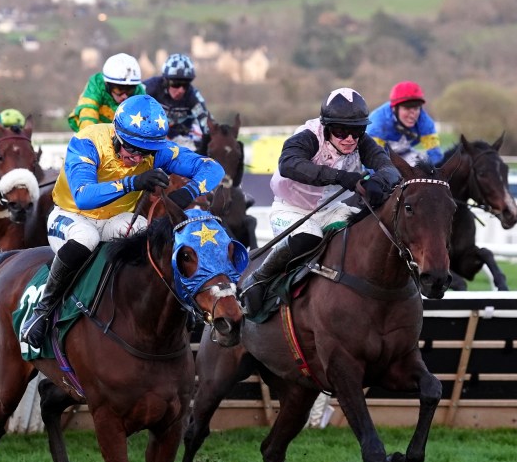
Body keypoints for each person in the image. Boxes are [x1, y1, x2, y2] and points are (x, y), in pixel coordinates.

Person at [20, 94, 225, 348]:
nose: (138, 158)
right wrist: (133, 182)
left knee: (147, 235)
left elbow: (213, 168)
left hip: (116, 219)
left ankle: (174, 305)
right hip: (71, 216)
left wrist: (187, 193)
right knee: (87, 237)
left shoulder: (157, 151)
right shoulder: (87, 142)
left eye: (146, 152)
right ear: (117, 134)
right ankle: (42, 310)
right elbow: (84, 197)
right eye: (132, 149)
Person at [240, 87, 400, 317]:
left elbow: (390, 168)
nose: (349, 139)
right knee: (309, 237)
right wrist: (340, 177)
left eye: (356, 131)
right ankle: (258, 278)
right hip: (291, 209)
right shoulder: (307, 137)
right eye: (340, 131)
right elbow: (289, 164)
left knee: (364, 233)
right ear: (326, 127)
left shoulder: (361, 142)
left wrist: (379, 181)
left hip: (331, 209)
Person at [142, 53, 211, 150]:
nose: (181, 90)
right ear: (166, 81)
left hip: (182, 139)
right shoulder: (150, 87)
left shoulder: (193, 95)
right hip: (152, 133)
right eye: (176, 83)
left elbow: (206, 121)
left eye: (186, 84)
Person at [366, 81, 443, 167]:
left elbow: (435, 154)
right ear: (394, 108)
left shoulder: (425, 122)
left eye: (416, 108)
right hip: (374, 156)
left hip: (405, 152)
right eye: (407, 108)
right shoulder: (377, 123)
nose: (412, 115)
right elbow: (372, 159)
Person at [67, 53, 144, 132]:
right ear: (107, 84)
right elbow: (88, 113)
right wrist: (88, 136)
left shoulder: (139, 92)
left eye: (130, 89)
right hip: (95, 130)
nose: (124, 96)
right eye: (119, 89)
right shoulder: (96, 84)